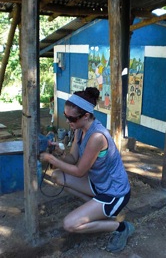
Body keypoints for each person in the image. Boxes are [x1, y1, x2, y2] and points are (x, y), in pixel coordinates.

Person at [39, 87, 134, 253]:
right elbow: (72, 159)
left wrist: (52, 160)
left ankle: (120, 227)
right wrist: (59, 155)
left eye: (72, 118)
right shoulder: (79, 130)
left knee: (70, 224)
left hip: (114, 192)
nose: (68, 121)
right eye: (66, 116)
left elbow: (79, 171)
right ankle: (98, 210)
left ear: (86, 116)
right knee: (58, 176)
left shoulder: (97, 137)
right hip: (98, 184)